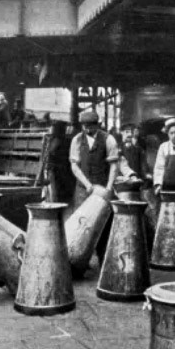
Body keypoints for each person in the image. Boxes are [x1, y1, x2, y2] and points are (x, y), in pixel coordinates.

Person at [68, 111, 120, 268]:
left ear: (98, 124)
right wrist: (87, 184)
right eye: (85, 126)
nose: (87, 129)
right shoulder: (77, 140)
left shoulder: (108, 139)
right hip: (83, 189)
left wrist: (109, 187)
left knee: (103, 224)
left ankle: (104, 259)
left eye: (91, 126)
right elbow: (74, 165)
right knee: (81, 226)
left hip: (102, 188)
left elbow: (114, 165)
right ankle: (80, 262)